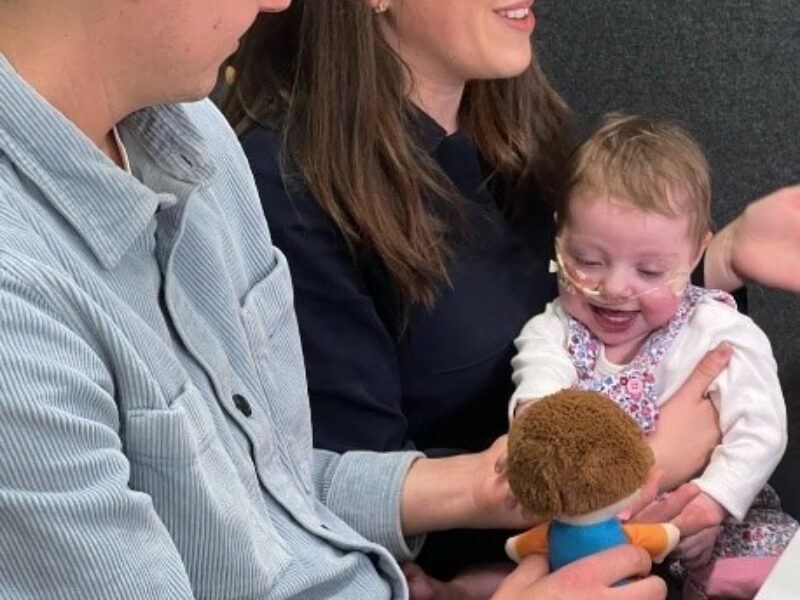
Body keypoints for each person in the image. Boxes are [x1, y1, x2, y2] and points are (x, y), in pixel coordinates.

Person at [0, 0, 697, 599]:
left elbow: (266, 483)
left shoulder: (193, 138)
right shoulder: (20, 307)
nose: (280, 1)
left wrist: (492, 483)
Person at [221, 0, 800, 592]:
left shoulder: (516, 140)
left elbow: (587, 312)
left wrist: (711, 266)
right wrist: (652, 459)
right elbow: (330, 489)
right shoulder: (290, 188)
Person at [510, 113, 799, 598]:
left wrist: (711, 503)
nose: (616, 288)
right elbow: (538, 402)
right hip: (590, 536)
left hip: (714, 520)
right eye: (588, 261)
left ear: (695, 254)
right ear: (559, 239)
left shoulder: (718, 331)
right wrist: (533, 420)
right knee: (530, 565)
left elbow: (762, 426)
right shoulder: (553, 331)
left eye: (649, 270)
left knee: (770, 574)